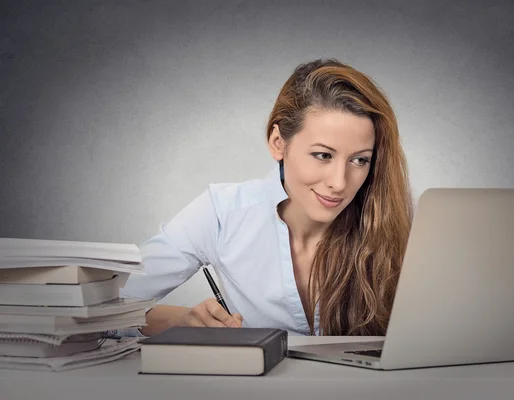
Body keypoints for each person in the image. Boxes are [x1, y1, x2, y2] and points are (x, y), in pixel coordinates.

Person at [121, 58, 413, 337]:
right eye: (323, 155)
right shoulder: (223, 212)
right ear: (278, 143)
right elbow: (95, 312)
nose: (339, 183)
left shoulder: (394, 221)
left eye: (359, 160)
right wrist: (178, 320)